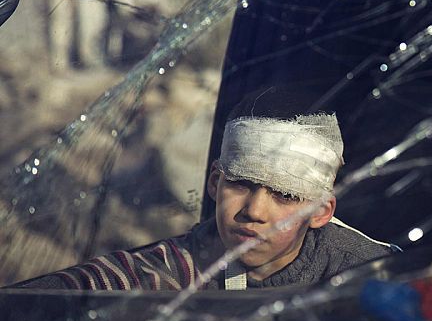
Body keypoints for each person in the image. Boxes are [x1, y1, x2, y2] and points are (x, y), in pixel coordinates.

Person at [11, 87, 393, 290]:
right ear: (214, 182)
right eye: (240, 183)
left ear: (321, 212)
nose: (254, 211)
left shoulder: (374, 277)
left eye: (285, 195)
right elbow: (84, 290)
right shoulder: (175, 269)